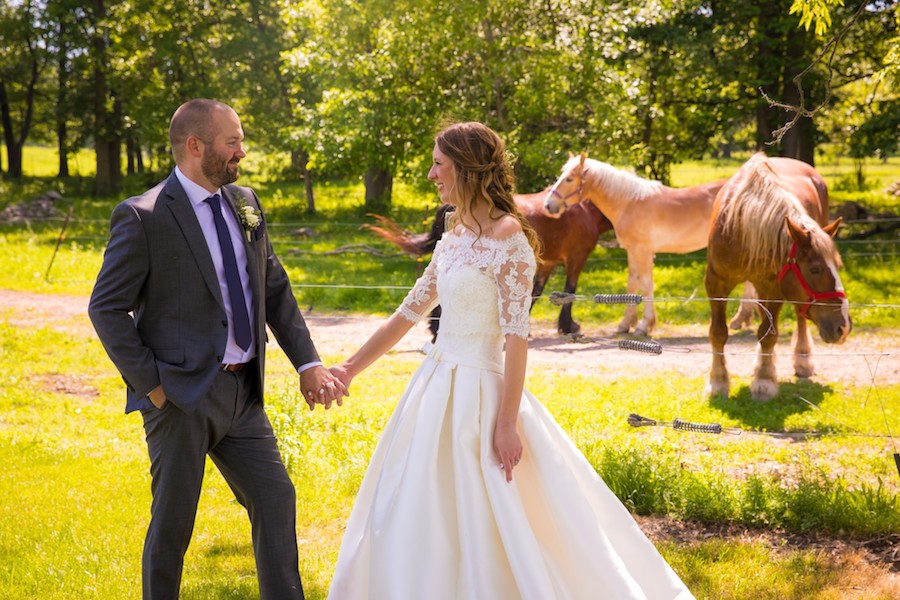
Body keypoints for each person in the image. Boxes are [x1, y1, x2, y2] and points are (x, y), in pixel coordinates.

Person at [326, 122, 694, 599]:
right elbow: (407, 312)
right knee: (414, 508)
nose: (432, 173)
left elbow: (517, 339)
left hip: (483, 395)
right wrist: (349, 369)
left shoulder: (510, 241)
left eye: (439, 164)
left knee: (497, 514)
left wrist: (505, 423)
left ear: (468, 169)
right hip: (433, 389)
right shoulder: (453, 232)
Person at [88, 98, 347, 600]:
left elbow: (273, 290)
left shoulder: (245, 202)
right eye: (232, 142)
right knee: (173, 524)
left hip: (243, 395)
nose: (241, 152)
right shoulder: (143, 216)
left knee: (276, 499)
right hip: (180, 396)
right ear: (195, 146)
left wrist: (308, 363)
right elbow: (106, 308)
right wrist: (154, 385)